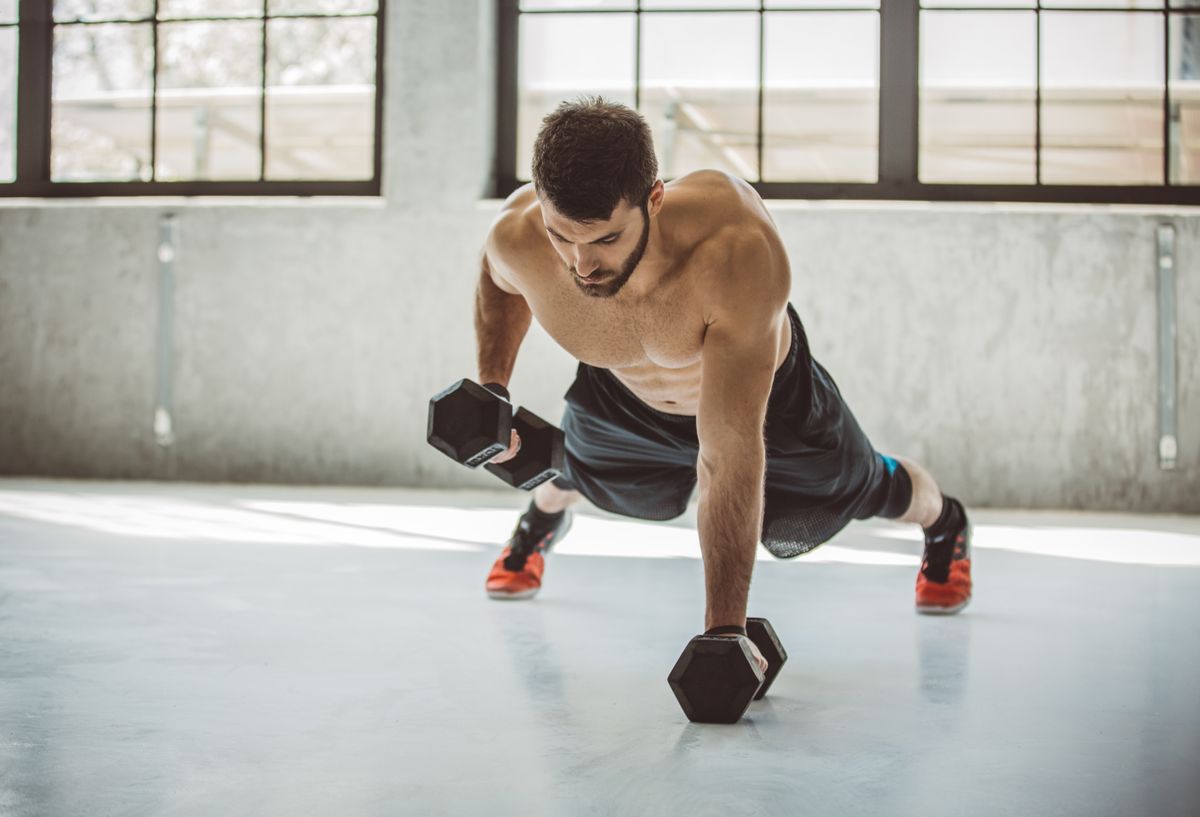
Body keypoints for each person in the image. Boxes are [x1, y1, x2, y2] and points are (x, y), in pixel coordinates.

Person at [474, 97, 972, 671]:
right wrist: (492, 387)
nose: (581, 265)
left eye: (607, 240)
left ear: (653, 198)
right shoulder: (518, 236)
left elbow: (728, 453)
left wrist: (724, 633)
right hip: (621, 392)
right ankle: (538, 524)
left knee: (872, 490)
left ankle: (946, 525)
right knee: (570, 465)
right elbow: (498, 282)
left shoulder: (735, 251)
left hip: (769, 406)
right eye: (563, 238)